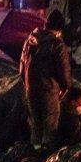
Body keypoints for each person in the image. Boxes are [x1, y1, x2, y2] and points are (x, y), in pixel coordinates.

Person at [20, 21, 71, 150]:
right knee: (50, 128)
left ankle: (34, 155)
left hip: (30, 91)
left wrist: (28, 85)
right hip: (49, 91)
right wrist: (67, 87)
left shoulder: (29, 41)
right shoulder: (57, 44)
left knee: (36, 127)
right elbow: (63, 71)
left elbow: (21, 69)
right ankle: (45, 159)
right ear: (58, 30)